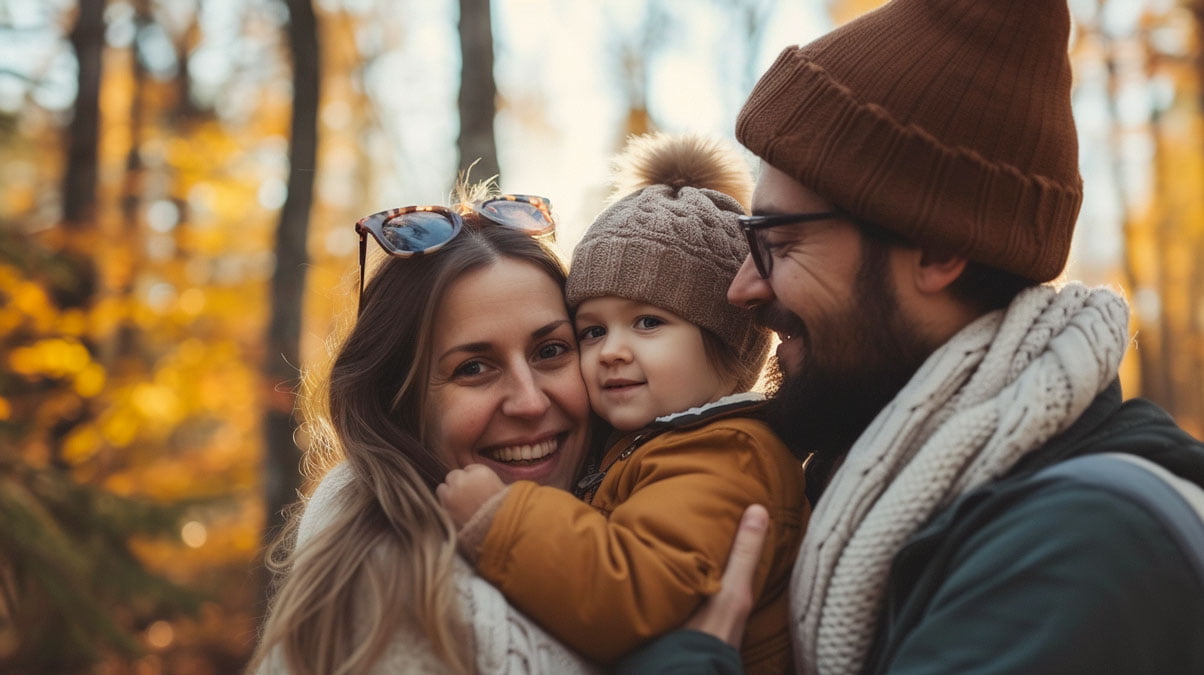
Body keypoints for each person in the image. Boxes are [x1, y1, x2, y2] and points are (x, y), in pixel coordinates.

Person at [628, 0, 1204, 673]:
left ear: (935, 250)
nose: (742, 290)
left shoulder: (1084, 549)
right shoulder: (866, 493)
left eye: (779, 243)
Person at [437, 133, 809, 672]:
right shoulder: (654, 443)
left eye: (648, 323)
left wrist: (501, 521)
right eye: (590, 332)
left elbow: (634, 596)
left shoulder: (728, 454)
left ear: (728, 342)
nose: (612, 351)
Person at [247, 187, 598, 674]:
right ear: (398, 403)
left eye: (551, 351)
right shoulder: (395, 600)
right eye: (474, 368)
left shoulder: (658, 501)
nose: (530, 401)